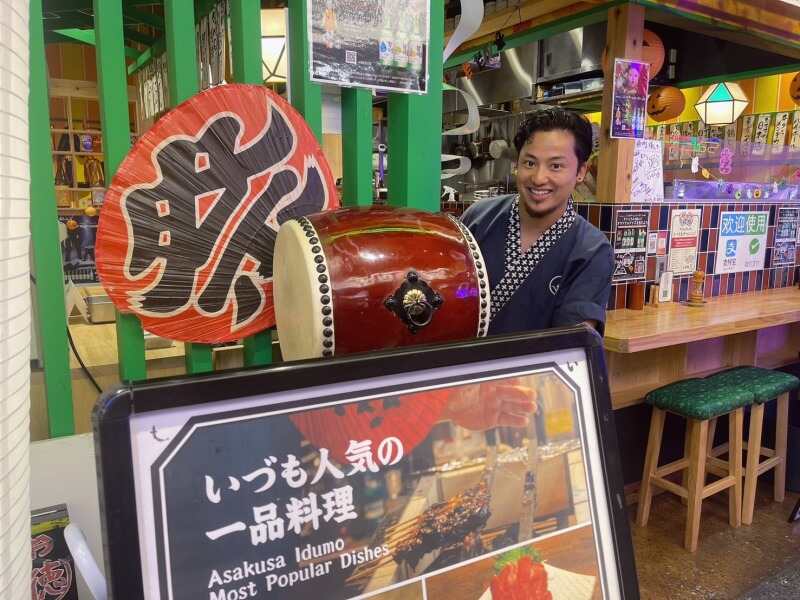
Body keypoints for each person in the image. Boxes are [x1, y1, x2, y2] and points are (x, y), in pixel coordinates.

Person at [461, 107, 614, 336]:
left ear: (581, 171)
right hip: (458, 365)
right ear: (517, 164)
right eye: (530, 163)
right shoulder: (479, 217)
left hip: (534, 372)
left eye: (556, 166)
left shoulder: (591, 250)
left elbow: (570, 346)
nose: (539, 178)